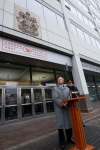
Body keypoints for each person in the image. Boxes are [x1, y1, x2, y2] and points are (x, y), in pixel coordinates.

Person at [53, 77, 73, 150]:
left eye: (61, 79)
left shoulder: (67, 88)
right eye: (59, 79)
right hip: (59, 110)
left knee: (69, 125)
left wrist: (67, 103)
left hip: (67, 109)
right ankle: (62, 142)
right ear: (57, 81)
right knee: (60, 127)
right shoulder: (55, 89)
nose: (60, 80)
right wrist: (62, 104)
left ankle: (69, 139)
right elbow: (55, 98)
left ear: (63, 80)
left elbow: (69, 96)